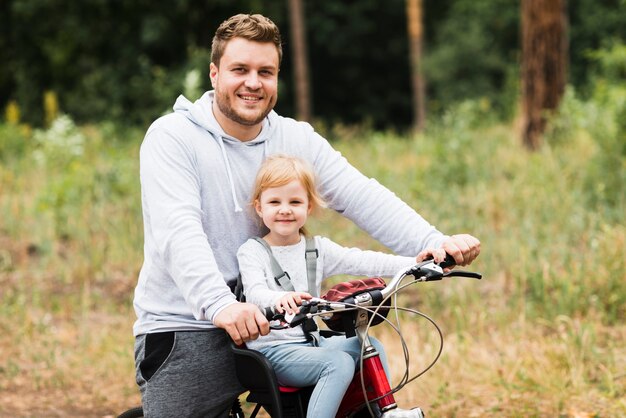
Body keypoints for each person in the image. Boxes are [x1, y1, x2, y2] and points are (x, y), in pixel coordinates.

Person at [132, 13, 480, 418]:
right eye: (239, 69)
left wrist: (433, 244)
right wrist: (220, 305)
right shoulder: (174, 137)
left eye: (266, 71)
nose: (252, 83)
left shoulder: (294, 138)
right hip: (191, 324)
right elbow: (179, 231)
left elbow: (360, 194)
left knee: (357, 389)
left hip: (283, 327)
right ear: (214, 74)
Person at [238, 154, 427, 418]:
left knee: (368, 345)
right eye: (274, 202)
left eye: (295, 201)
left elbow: (362, 260)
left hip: (311, 343)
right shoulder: (253, 252)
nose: (285, 209)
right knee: (336, 363)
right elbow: (256, 291)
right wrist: (279, 298)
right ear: (259, 208)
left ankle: (384, 411)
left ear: (309, 207)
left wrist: (415, 263)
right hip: (274, 351)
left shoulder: (316, 249)